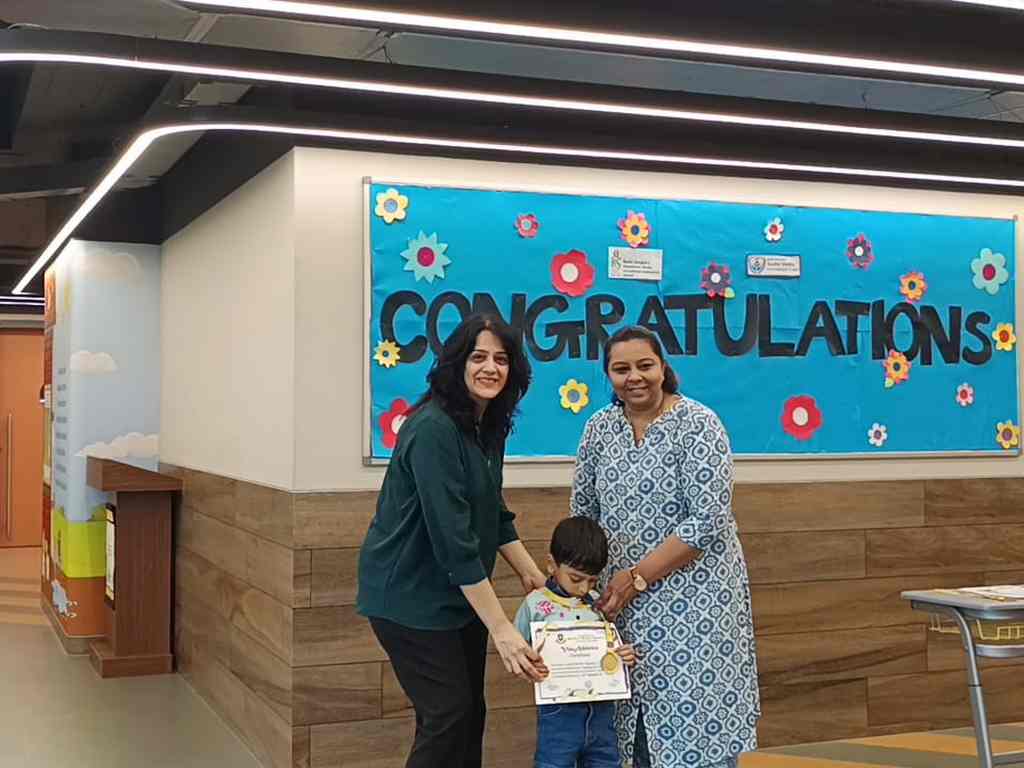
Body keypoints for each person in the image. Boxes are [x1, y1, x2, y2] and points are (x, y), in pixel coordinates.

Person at [357, 314, 549, 768]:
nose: (490, 368)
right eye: (478, 357)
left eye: (501, 359)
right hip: (408, 597)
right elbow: (453, 541)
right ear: (456, 363)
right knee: (448, 716)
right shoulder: (432, 429)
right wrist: (501, 629)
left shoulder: (488, 425)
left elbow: (493, 513)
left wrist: (533, 577)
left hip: (460, 597)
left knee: (468, 715)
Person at [570, 325, 760, 768]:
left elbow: (707, 520)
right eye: (621, 369)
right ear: (608, 375)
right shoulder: (599, 428)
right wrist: (574, 588)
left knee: (698, 721)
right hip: (620, 603)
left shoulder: (698, 424)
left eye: (645, 365)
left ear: (663, 368)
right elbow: (583, 512)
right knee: (630, 726)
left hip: (697, 605)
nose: (634, 377)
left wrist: (637, 578)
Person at [513, 517, 636, 768]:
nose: (583, 588)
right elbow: (516, 652)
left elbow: (609, 651)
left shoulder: (597, 604)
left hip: (602, 714)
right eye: (576, 578)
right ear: (551, 565)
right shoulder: (535, 604)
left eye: (592, 581)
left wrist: (623, 657)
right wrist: (530, 665)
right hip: (559, 716)